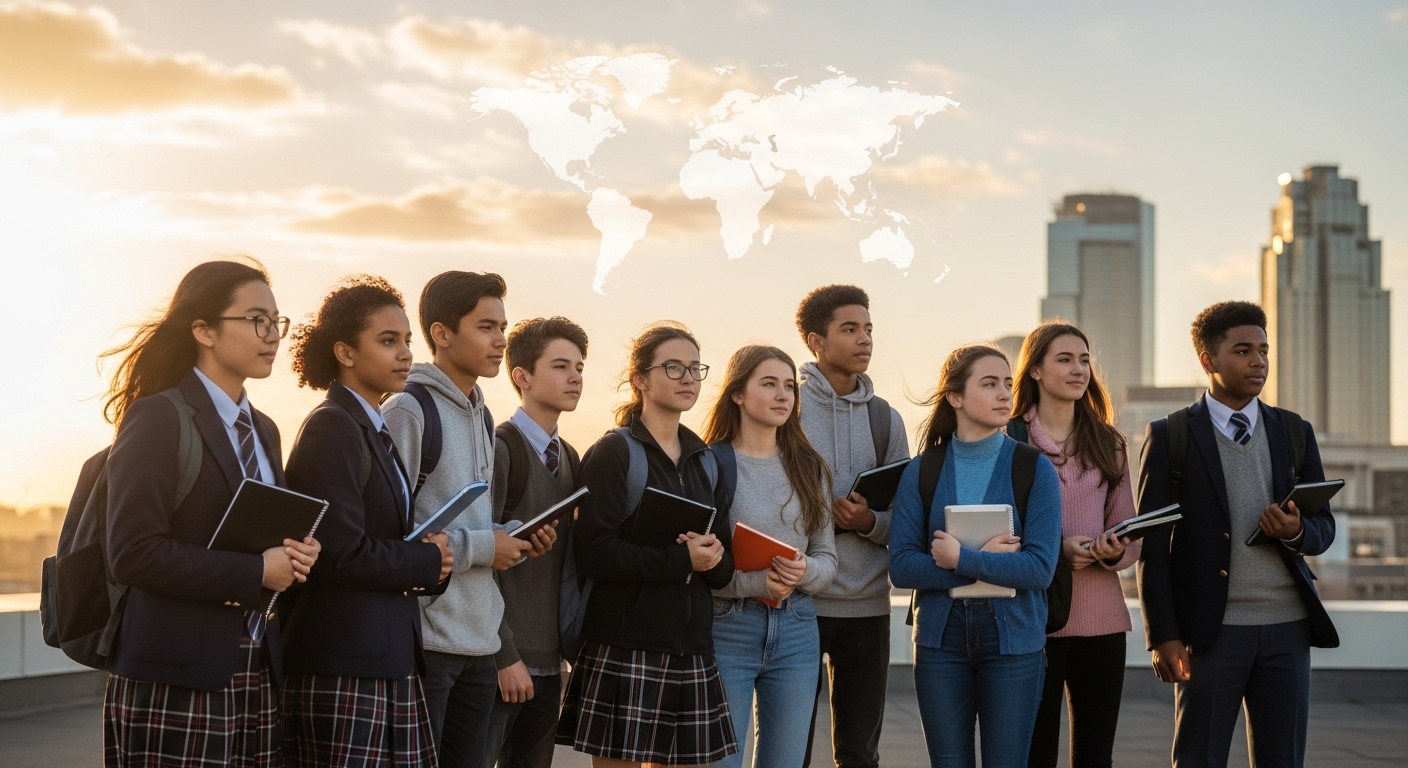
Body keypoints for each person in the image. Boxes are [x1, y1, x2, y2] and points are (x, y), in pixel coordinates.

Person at [102, 258, 320, 768]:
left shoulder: (264, 429)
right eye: (256, 320)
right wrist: (256, 571)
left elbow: (260, 535)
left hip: (255, 664)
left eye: (276, 321)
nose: (272, 335)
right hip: (175, 672)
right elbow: (131, 555)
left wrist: (297, 551)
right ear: (203, 329)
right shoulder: (158, 416)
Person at [1137, 301, 1338, 768]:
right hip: (1209, 634)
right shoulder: (1171, 436)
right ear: (1208, 360)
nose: (1259, 362)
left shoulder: (1293, 431)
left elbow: (1323, 527)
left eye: (1264, 351)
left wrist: (1295, 532)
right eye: (1243, 350)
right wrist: (1162, 635)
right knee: (1198, 759)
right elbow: (1152, 545)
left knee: (1282, 759)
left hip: (1288, 628)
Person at [280, 276, 454, 768]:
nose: (404, 354)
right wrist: (426, 558)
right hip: (344, 664)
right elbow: (337, 552)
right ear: (345, 352)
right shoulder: (332, 426)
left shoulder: (370, 427)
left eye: (405, 341)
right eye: (387, 341)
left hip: (382, 658)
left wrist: (430, 560)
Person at [555, 321, 737, 767]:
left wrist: (712, 560)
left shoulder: (706, 461)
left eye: (695, 368)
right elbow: (594, 550)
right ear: (640, 379)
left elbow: (724, 564)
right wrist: (681, 559)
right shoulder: (615, 452)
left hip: (692, 648)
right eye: (673, 367)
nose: (688, 378)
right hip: (624, 645)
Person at [381, 271, 541, 768]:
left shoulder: (484, 415)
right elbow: (393, 532)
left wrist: (511, 538)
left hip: (479, 638)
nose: (500, 341)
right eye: (486, 327)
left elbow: (472, 516)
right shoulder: (409, 409)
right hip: (428, 640)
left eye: (503, 328)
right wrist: (483, 547)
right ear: (441, 333)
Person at [889, 344, 1061, 768]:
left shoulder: (1034, 469)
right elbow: (901, 566)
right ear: (956, 397)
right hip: (939, 641)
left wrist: (961, 559)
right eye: (989, 384)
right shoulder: (922, 470)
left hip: (1014, 640)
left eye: (1007, 384)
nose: (1005, 393)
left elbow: (1040, 569)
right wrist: (981, 564)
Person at [701, 345, 839, 768]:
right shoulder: (709, 464)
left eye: (789, 387)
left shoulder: (810, 467)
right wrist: (757, 583)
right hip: (726, 626)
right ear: (738, 394)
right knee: (721, 761)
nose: (783, 395)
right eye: (769, 384)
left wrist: (802, 571)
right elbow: (699, 564)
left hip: (798, 629)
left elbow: (828, 560)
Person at [1012, 322, 1140, 768]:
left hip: (1103, 619)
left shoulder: (1109, 442)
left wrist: (1114, 549)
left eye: (1084, 360)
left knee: (1095, 755)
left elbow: (1128, 527)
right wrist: (1058, 549)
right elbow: (998, 527)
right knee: (1035, 753)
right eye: (1064, 359)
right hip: (1033, 618)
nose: (1078, 369)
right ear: (1035, 371)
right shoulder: (1010, 440)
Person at [794, 285, 909, 768]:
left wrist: (869, 522)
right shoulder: (787, 410)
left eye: (868, 329)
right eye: (849, 329)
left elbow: (908, 517)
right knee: (788, 746)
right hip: (796, 602)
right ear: (815, 340)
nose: (864, 339)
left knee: (860, 753)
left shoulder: (886, 419)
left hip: (867, 607)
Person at [484, 317, 591, 768]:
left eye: (580, 367)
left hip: (550, 666)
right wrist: (503, 655)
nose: (576, 377)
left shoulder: (570, 457)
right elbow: (476, 559)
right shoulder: (499, 448)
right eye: (561, 365)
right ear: (522, 377)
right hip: (502, 662)